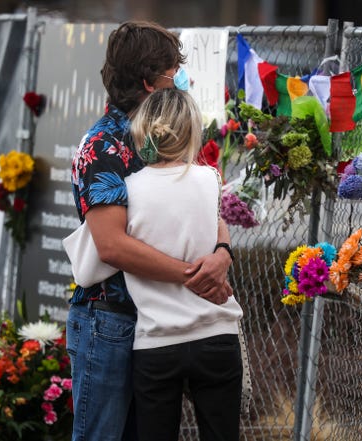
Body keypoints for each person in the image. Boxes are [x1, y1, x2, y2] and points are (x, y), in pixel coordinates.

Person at [67, 21, 234, 441]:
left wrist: (222, 255)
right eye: (173, 70)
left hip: (158, 325)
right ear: (148, 82)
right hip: (110, 322)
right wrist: (193, 276)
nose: (182, 77)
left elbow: (207, 207)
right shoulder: (102, 147)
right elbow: (112, 246)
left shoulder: (165, 134)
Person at [127, 89, 244, 441]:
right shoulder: (210, 180)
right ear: (192, 130)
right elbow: (214, 224)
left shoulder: (127, 190)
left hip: (156, 341)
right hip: (216, 335)